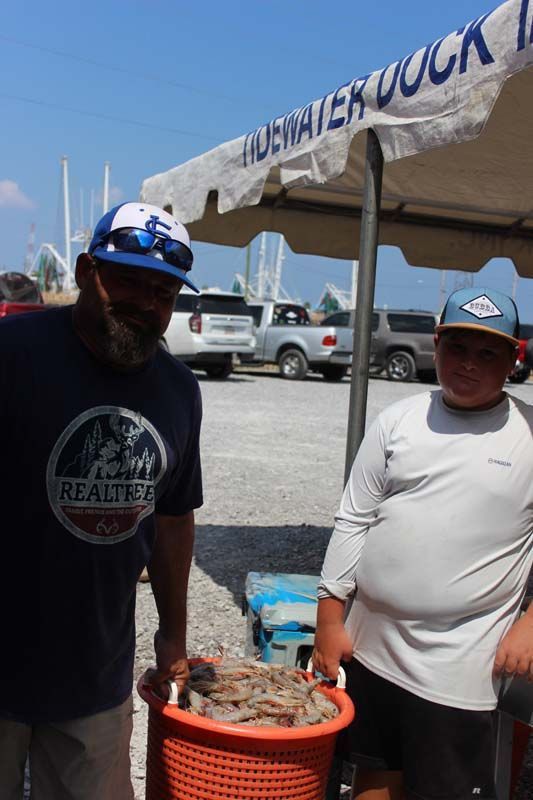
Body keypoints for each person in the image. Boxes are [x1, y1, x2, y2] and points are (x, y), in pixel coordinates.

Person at [0, 202, 203, 800]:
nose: (146, 303)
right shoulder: (11, 354)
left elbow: (172, 518)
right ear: (89, 270)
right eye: (128, 281)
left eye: (163, 292)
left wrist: (172, 634)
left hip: (94, 676)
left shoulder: (178, 391)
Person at [313, 287, 533, 800]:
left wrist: (531, 622)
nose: (468, 364)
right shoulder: (398, 421)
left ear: (513, 358)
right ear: (435, 344)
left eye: (487, 353)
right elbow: (353, 519)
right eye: (457, 346)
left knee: (444, 787)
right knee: (374, 775)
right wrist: (328, 618)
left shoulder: (529, 435)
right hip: (372, 646)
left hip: (459, 662)